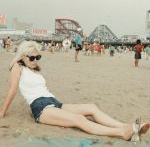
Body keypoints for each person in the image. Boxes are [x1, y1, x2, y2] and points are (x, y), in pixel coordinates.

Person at [0, 41, 149, 141]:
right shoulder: (17, 67)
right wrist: (2, 112)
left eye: (38, 57)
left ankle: (127, 126)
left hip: (53, 102)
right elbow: (12, 90)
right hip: (40, 108)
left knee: (91, 107)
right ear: (22, 56)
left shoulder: (34, 69)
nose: (35, 60)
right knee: (79, 120)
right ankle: (123, 133)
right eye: (32, 57)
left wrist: (54, 102)